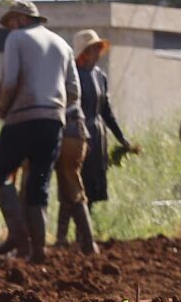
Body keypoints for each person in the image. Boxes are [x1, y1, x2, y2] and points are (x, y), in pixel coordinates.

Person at [0, 1, 83, 263]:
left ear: (22, 20)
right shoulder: (63, 45)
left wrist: (4, 108)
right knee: (38, 185)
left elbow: (11, 80)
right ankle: (38, 251)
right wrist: (55, 105)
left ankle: (18, 235)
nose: (10, 28)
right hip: (52, 123)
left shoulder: (16, 39)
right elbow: (74, 92)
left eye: (11, 23)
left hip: (22, 120)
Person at [57, 28, 138, 251]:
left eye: (98, 49)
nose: (97, 53)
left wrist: (122, 139)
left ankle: (82, 236)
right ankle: (61, 237)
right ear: (83, 52)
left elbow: (107, 112)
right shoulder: (71, 76)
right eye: (92, 49)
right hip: (76, 135)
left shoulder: (100, 77)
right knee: (71, 185)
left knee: (90, 189)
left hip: (98, 137)